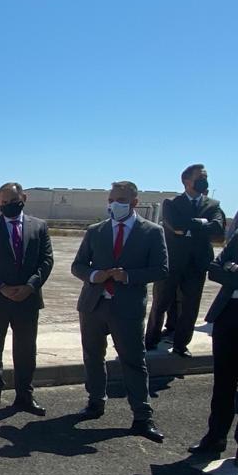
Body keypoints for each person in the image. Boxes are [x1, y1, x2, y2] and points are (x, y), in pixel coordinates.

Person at [72, 181, 168, 441]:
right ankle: (95, 401)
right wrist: (94, 275)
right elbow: (78, 265)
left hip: (127, 308)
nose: (115, 204)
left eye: (121, 200)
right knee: (93, 356)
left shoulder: (152, 232)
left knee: (133, 360)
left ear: (135, 202)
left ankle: (142, 416)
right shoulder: (96, 231)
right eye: (111, 199)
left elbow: (161, 269)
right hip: (94, 305)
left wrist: (128, 276)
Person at [0, 182, 54, 414]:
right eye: (4, 202)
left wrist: (30, 286)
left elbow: (46, 260)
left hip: (27, 300)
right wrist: (2, 287)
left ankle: (25, 395)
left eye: (13, 201)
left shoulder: (39, 227)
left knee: (26, 350)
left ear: (24, 198)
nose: (8, 206)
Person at [187, 224, 238, 469]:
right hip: (228, 314)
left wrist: (234, 270)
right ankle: (215, 437)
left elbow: (228, 269)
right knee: (223, 381)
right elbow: (215, 269)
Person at [145, 164, 226, 356]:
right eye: (200, 177)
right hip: (171, 263)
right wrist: (203, 224)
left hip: (197, 264)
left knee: (190, 307)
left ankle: (181, 344)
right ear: (186, 181)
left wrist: (190, 227)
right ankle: (151, 339)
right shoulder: (171, 203)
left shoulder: (213, 205)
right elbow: (176, 226)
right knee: (161, 303)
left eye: (205, 177)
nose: (204, 181)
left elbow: (218, 229)